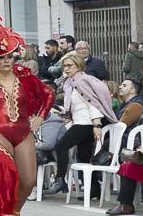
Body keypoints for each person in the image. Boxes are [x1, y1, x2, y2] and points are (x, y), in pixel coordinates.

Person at [0, 16, 55, 213]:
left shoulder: (23, 75)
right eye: (2, 57)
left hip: (22, 132)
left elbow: (48, 93)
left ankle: (12, 214)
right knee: (7, 178)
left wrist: (40, 117)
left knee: (28, 180)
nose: (7, 60)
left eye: (10, 56)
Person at [42, 53, 117, 197]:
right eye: (64, 66)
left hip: (86, 123)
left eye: (70, 65)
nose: (66, 68)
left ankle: (60, 180)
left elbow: (93, 103)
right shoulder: (71, 82)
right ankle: (94, 188)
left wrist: (97, 125)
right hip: (80, 121)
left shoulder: (81, 81)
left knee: (61, 146)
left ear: (79, 65)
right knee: (84, 155)